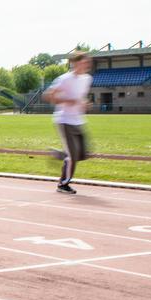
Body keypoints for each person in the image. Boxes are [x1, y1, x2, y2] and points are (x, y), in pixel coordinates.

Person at [42, 50, 93, 194]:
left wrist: (84, 103)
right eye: (84, 62)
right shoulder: (64, 79)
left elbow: (80, 97)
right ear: (75, 63)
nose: (87, 65)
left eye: (88, 62)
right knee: (73, 156)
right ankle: (63, 184)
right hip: (64, 120)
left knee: (83, 154)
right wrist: (66, 101)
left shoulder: (87, 79)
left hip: (79, 121)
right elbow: (47, 96)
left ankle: (59, 155)